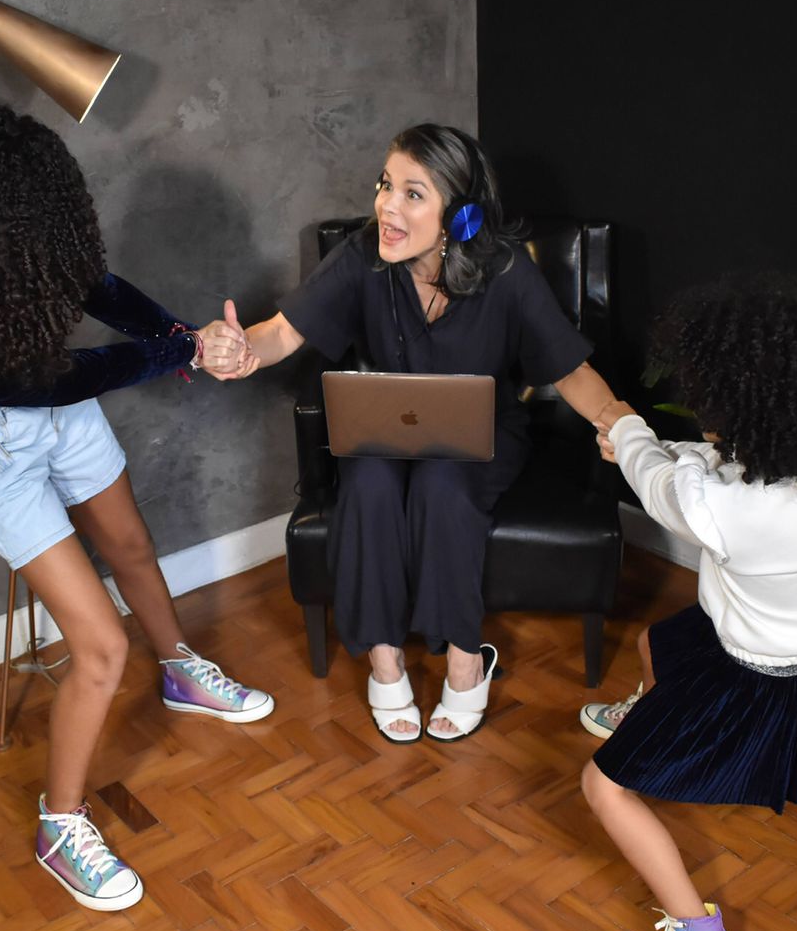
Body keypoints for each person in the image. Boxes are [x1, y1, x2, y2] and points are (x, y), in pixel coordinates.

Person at [0, 103, 272, 913]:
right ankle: (60, 821)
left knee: (130, 544)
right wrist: (182, 352)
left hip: (55, 409)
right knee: (100, 647)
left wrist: (182, 335)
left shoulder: (15, 253)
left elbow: (98, 289)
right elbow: (60, 379)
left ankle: (183, 674)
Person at [209, 123, 628, 743]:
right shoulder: (362, 254)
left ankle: (465, 660)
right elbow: (285, 330)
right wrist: (247, 349)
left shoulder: (505, 270)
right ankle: (385, 662)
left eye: (412, 193)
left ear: (458, 216)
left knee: (442, 484)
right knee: (369, 484)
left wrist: (616, 416)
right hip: (384, 428)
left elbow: (569, 368)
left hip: (482, 434)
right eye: (385, 185)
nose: (386, 205)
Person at [579, 276, 797, 931]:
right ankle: (653, 731)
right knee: (659, 644)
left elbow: (663, 484)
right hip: (773, 643)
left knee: (603, 789)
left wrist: (626, 429)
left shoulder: (728, 510)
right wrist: (674, 450)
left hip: (750, 676)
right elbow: (711, 467)